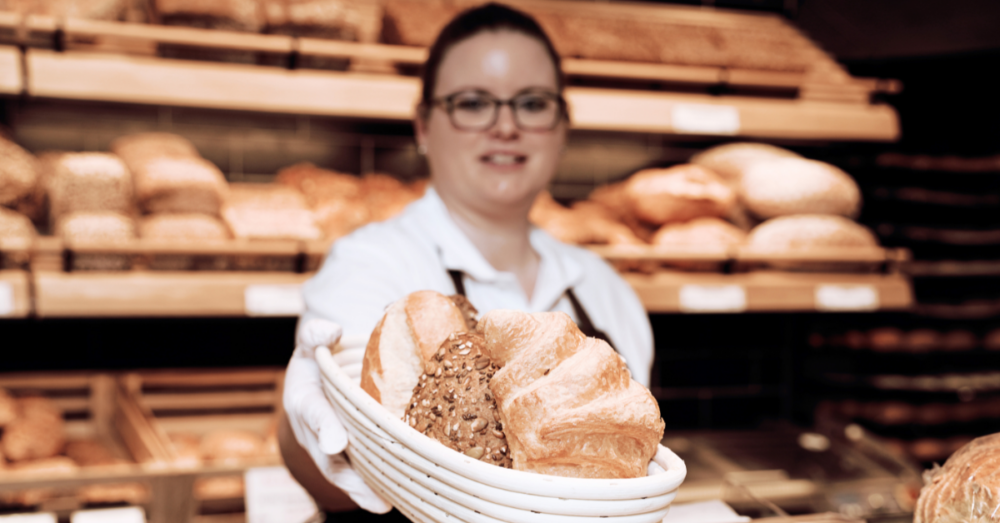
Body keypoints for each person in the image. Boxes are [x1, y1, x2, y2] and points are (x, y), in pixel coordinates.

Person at [278, 3, 654, 521]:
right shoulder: (370, 264)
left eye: (532, 103)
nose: (506, 125)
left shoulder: (606, 288)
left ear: (562, 127)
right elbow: (333, 450)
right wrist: (303, 433)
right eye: (473, 103)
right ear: (423, 126)